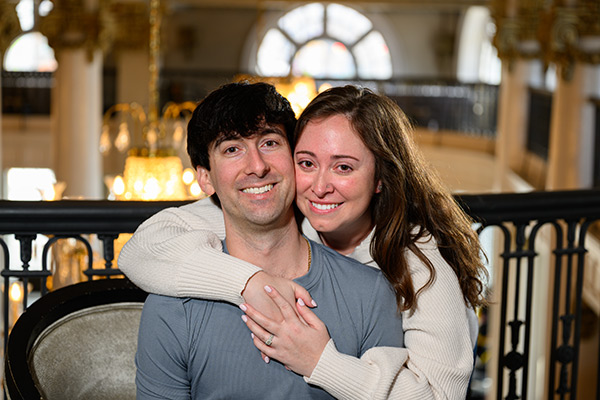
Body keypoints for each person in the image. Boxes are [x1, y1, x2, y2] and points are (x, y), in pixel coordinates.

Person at [121, 84, 487, 399]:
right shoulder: (277, 206)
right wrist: (249, 283)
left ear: (381, 178)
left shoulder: (419, 267)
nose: (320, 186)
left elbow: (439, 396)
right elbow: (141, 249)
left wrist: (320, 361)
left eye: (343, 167)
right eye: (308, 163)